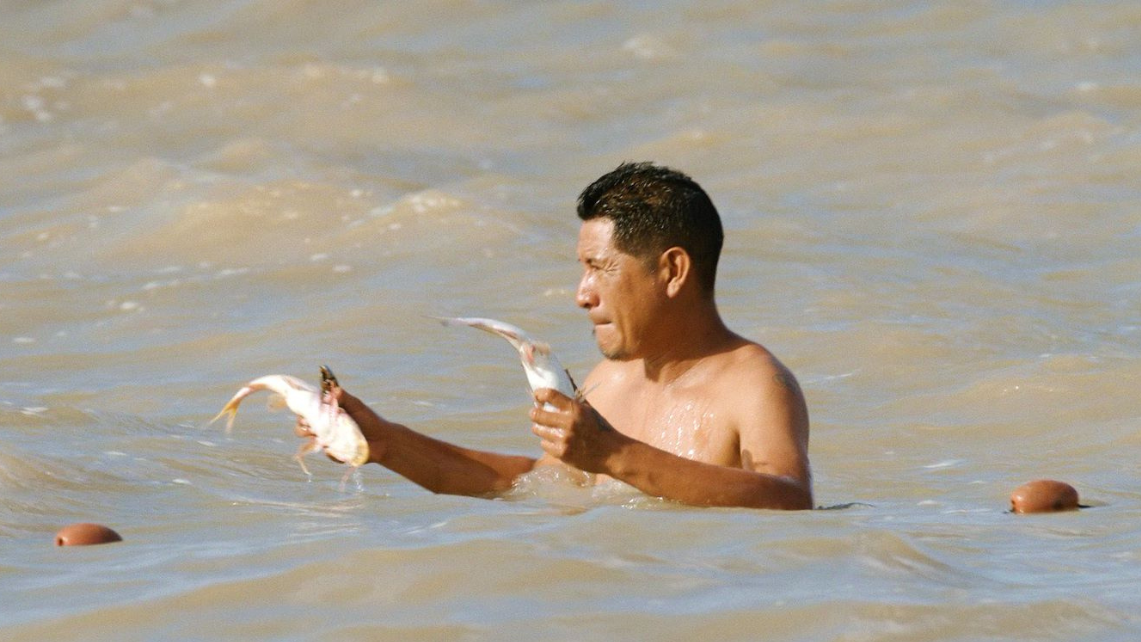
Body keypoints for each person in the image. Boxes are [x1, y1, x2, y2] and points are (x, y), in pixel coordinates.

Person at [327, 162, 813, 510]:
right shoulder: (610, 382)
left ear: (672, 270)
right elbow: (533, 485)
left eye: (600, 268)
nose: (582, 295)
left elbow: (790, 498)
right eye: (583, 270)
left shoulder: (755, 384)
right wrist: (387, 443)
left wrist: (615, 454)